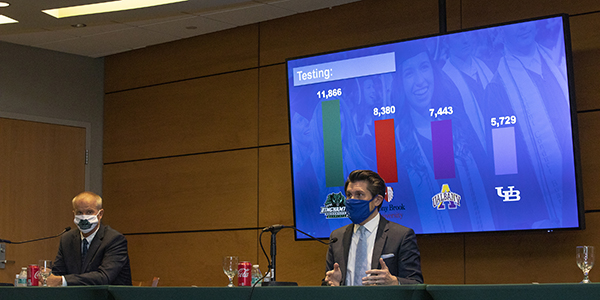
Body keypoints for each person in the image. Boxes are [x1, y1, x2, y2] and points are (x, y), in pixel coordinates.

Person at [323, 170, 423, 286]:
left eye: (359, 195)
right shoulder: (337, 237)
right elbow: (325, 283)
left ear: (377, 200)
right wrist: (333, 285)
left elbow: (416, 283)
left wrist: (394, 282)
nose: (352, 200)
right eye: (349, 195)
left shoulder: (401, 236)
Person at [46, 191, 132, 286]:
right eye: (79, 212)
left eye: (89, 212)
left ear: (100, 214)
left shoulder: (114, 239)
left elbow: (104, 277)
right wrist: (47, 276)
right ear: (74, 213)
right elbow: (58, 273)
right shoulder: (67, 239)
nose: (84, 217)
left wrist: (63, 281)